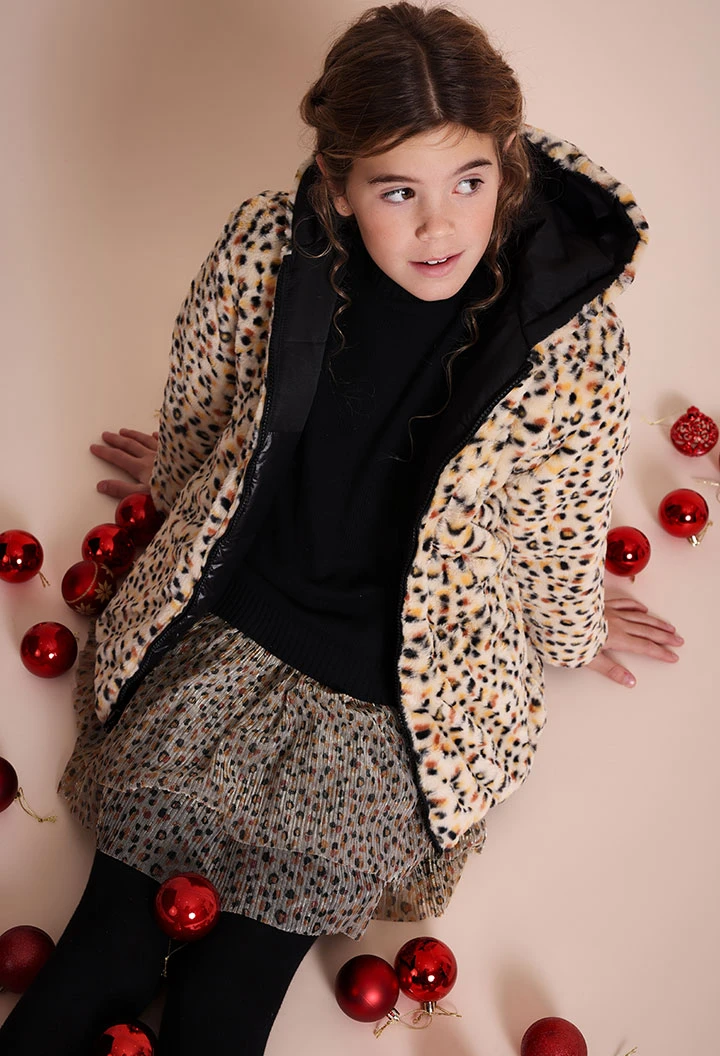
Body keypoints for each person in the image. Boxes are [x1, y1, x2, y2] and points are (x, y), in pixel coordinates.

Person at [0, 4, 683, 1054]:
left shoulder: (573, 345)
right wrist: (192, 481)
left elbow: (558, 523)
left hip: (389, 694)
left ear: (508, 162)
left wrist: (574, 628)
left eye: (468, 183)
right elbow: (205, 399)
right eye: (397, 191)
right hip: (233, 635)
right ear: (338, 181)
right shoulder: (267, 248)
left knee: (233, 995)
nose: (440, 227)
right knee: (106, 946)